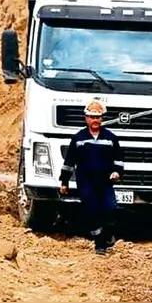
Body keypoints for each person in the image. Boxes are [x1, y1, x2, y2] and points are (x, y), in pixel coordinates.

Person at [59, 99, 125, 255]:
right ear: (86, 118)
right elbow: (69, 162)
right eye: (92, 117)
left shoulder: (111, 138)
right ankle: (99, 244)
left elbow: (119, 160)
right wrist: (64, 182)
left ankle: (107, 235)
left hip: (105, 181)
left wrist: (117, 172)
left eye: (98, 117)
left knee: (110, 208)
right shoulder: (79, 138)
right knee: (92, 210)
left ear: (102, 118)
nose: (95, 120)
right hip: (86, 181)